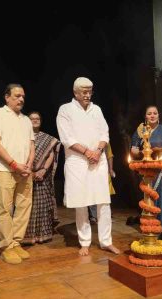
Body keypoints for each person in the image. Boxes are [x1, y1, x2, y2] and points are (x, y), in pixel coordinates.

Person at [56, 77, 120, 256]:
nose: (87, 94)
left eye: (90, 91)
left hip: (97, 161)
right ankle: (84, 241)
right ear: (75, 92)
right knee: (81, 203)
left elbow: (104, 133)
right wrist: (87, 152)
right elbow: (67, 138)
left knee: (103, 202)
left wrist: (98, 151)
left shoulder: (96, 109)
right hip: (77, 162)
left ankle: (106, 241)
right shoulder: (65, 109)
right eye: (83, 91)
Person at [0, 84, 35, 264]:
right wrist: (14, 164)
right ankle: (5, 246)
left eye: (23, 96)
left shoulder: (26, 120)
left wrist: (29, 164)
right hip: (4, 169)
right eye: (17, 96)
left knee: (23, 207)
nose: (21, 99)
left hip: (24, 171)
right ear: (7, 97)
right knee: (4, 209)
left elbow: (31, 144)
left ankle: (16, 242)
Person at [129, 105, 162, 240]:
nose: (152, 115)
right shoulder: (141, 130)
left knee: (160, 201)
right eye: (149, 113)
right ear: (145, 116)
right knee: (148, 202)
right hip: (147, 172)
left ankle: (160, 235)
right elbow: (133, 149)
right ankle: (148, 233)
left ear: (158, 116)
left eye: (154, 113)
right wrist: (136, 151)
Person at [23, 111, 61, 244]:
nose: (35, 120)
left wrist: (43, 170)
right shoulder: (22, 137)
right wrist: (29, 171)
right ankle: (26, 236)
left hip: (42, 177)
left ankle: (43, 235)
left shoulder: (47, 138)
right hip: (25, 175)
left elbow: (51, 154)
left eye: (37, 118)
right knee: (27, 206)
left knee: (43, 206)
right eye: (32, 118)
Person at [88, 144, 116, 224]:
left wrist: (110, 169)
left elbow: (109, 156)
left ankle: (105, 216)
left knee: (105, 194)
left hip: (103, 170)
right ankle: (93, 216)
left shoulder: (105, 141)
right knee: (92, 193)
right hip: (90, 169)